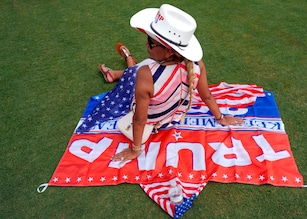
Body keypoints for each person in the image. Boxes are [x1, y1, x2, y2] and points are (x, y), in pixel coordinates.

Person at [78, 4, 244, 162]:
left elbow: (140, 119)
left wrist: (135, 149)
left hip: (149, 111)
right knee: (138, 69)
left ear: (169, 51)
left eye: (151, 43)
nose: (146, 44)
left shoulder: (146, 74)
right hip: (169, 117)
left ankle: (126, 61)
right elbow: (206, 95)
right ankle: (119, 69)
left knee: (134, 72)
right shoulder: (197, 65)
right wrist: (221, 118)